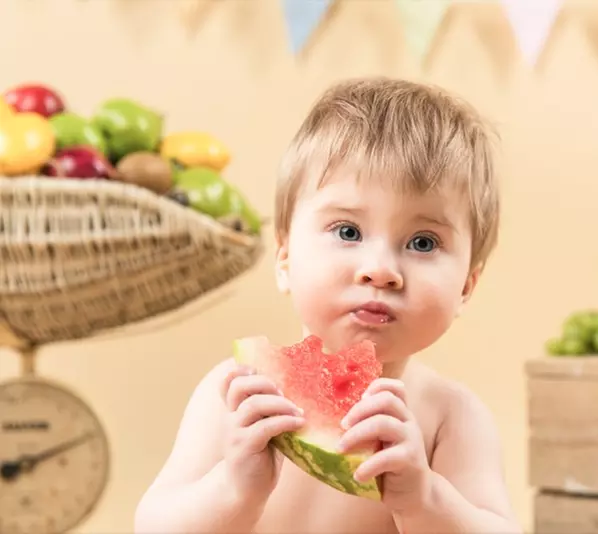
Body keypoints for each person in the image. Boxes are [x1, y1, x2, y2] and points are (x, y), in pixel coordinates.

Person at [134, 77, 520, 534]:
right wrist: (234, 487)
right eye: (348, 232)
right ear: (285, 259)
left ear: (466, 289)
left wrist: (424, 499)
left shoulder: (452, 417)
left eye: (422, 241)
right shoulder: (237, 394)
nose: (380, 270)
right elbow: (153, 526)